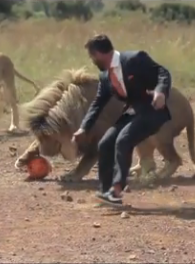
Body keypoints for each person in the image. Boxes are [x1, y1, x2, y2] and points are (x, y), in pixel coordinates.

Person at [72, 34, 172, 204]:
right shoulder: (105, 77)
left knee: (123, 140)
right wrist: (83, 128)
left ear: (99, 53)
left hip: (152, 111)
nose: (92, 61)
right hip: (132, 113)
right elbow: (98, 103)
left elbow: (163, 72)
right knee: (105, 143)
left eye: (92, 56)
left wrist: (161, 91)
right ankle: (106, 192)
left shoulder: (134, 59)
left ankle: (117, 188)